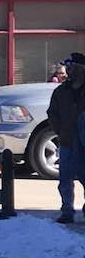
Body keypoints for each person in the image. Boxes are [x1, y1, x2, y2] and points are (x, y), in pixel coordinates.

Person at [48, 53, 85, 224]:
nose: (67, 71)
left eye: (71, 67)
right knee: (65, 179)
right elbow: (52, 113)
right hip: (68, 142)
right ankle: (67, 211)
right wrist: (60, 131)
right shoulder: (61, 92)